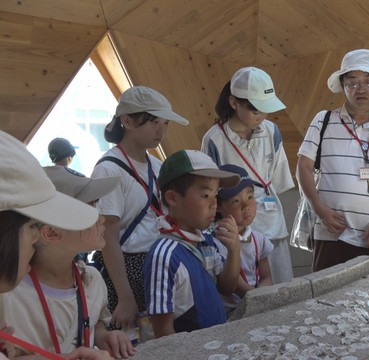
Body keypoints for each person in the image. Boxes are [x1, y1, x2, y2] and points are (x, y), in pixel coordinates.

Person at [0, 166, 136, 358]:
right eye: (89, 207)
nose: (102, 218)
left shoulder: (92, 280)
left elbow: (92, 319)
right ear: (51, 232)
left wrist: (103, 336)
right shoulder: (7, 294)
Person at [297, 49, 369, 271]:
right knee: (327, 303)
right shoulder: (323, 121)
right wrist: (319, 209)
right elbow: (304, 166)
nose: (361, 89)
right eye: (353, 82)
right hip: (331, 236)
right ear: (343, 86)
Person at [91, 86, 189, 335]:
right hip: (127, 270)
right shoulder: (109, 169)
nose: (161, 130)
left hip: (159, 263)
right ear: (126, 121)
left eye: (165, 123)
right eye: (154, 122)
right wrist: (124, 297)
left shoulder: (158, 165)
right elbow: (108, 238)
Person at [201, 67, 295, 284]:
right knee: (248, 287)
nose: (261, 117)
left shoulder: (272, 131)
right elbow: (210, 191)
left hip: (272, 223)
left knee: (281, 284)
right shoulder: (214, 139)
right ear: (234, 103)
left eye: (266, 110)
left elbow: (278, 180)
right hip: (238, 230)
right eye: (255, 110)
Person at [143, 150, 241, 338]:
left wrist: (234, 249)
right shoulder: (163, 255)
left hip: (215, 342)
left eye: (216, 194)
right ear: (173, 198)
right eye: (205, 196)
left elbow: (227, 288)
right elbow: (163, 332)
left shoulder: (206, 240)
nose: (214, 204)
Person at [215, 164, 273, 316]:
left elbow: (266, 277)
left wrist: (263, 292)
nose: (246, 206)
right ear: (218, 207)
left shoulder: (258, 239)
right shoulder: (217, 243)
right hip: (230, 313)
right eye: (236, 201)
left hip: (256, 304)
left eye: (250, 196)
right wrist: (260, 299)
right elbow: (235, 287)